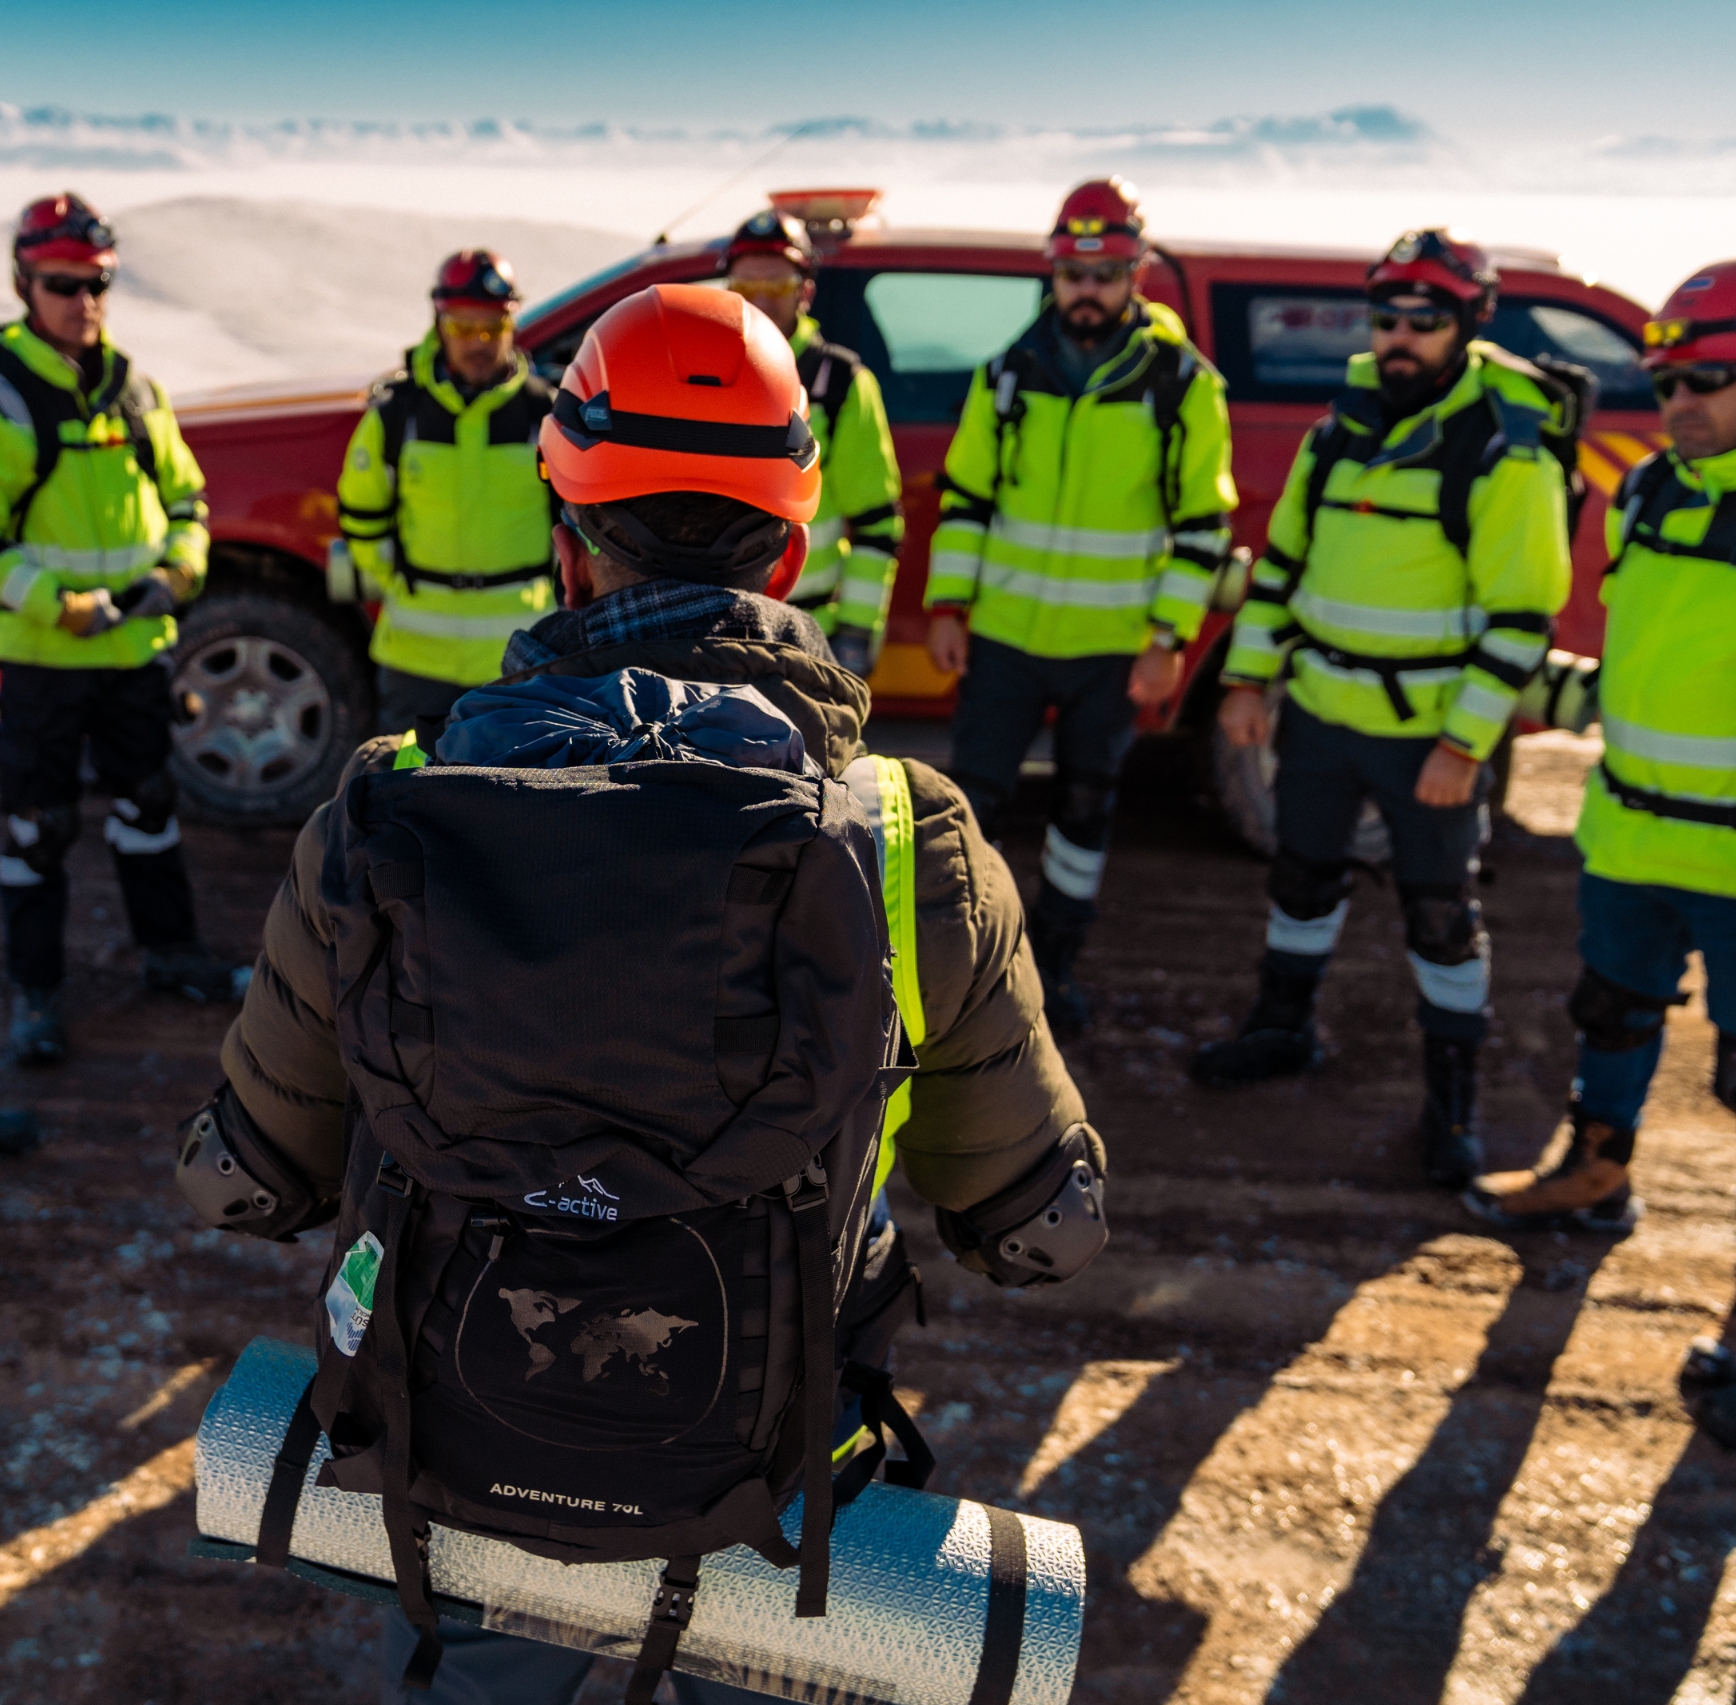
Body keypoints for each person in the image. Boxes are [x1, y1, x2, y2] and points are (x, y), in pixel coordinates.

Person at [179, 283, 1105, 1704]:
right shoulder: (907, 841)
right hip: (764, 1489)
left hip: (454, 1476)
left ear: (566, 542)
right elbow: (1041, 1230)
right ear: (791, 548)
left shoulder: (382, 815)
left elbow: (241, 1183)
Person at [1193, 230, 1574, 1189]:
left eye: (1426, 321)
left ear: (1469, 323)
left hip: (1427, 739)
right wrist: (1245, 682)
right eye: (1388, 318)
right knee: (1300, 879)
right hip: (1317, 717)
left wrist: (1463, 744)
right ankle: (1283, 1028)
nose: (1401, 337)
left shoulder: (1501, 451)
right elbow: (1279, 570)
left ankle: (1453, 1103)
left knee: (1441, 916)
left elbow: (1523, 618)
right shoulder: (1340, 431)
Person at [1463, 262, 1736, 1448]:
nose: (1677, 400)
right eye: (1663, 378)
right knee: (1610, 1013)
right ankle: (1595, 1173)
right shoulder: (1644, 488)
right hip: (1631, 833)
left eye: (1704, 379)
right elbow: (1648, 667)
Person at [924, 177, 1237, 1033]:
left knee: (1084, 807)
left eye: (1104, 273)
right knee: (974, 800)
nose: (1087, 290)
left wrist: (1169, 638)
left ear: (1134, 271)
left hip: (1111, 646)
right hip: (1004, 638)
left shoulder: (1180, 384)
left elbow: (1203, 527)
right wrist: (948, 606)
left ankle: (1054, 966)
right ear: (1051, 273)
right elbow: (965, 502)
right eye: (1072, 273)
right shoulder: (1007, 377)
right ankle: (957, 959)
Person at [0, 193, 242, 1065]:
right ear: (24, 280)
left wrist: (179, 568)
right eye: (63, 283)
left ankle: (172, 957)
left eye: (98, 281)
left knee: (150, 808)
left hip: (135, 649)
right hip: (41, 659)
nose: (83, 299)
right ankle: (36, 990)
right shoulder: (6, 390)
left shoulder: (134, 385)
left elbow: (187, 499)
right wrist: (49, 603)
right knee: (38, 825)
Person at [336, 249, 558, 735]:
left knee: (515, 799)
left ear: (511, 324)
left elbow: (575, 526)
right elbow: (361, 515)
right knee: (403, 792)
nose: (477, 342)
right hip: (415, 657)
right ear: (439, 324)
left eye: (491, 328)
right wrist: (402, 580)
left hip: (519, 654)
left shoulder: (546, 417)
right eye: (462, 327)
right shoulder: (397, 416)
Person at [720, 207, 902, 675]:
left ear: (806, 291)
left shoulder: (840, 383)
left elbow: (877, 524)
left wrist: (856, 634)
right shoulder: (700, 377)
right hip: (711, 630)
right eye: (745, 287)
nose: (760, 299)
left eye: (777, 286)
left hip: (805, 634)